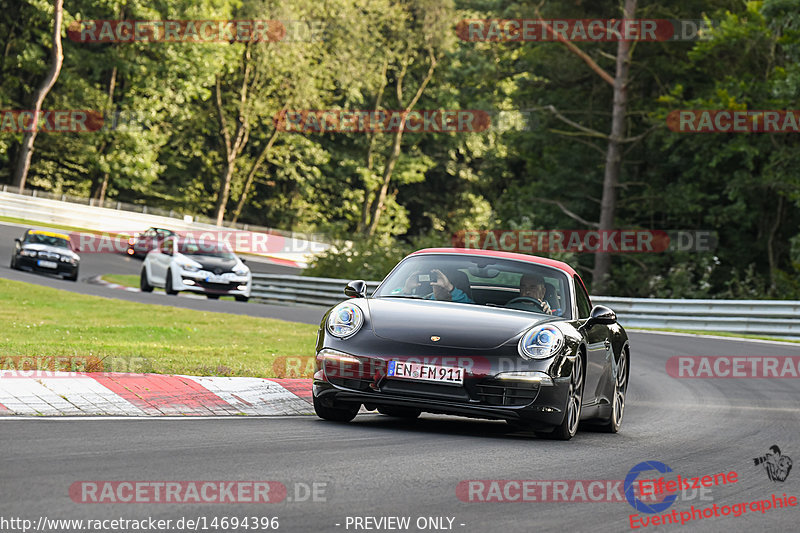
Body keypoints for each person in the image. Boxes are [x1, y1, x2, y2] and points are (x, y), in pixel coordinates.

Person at [393, 269, 473, 303]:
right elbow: (397, 306)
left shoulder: (462, 303)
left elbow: (471, 308)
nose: (436, 285)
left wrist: (449, 288)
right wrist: (407, 290)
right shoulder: (423, 300)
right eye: (434, 281)